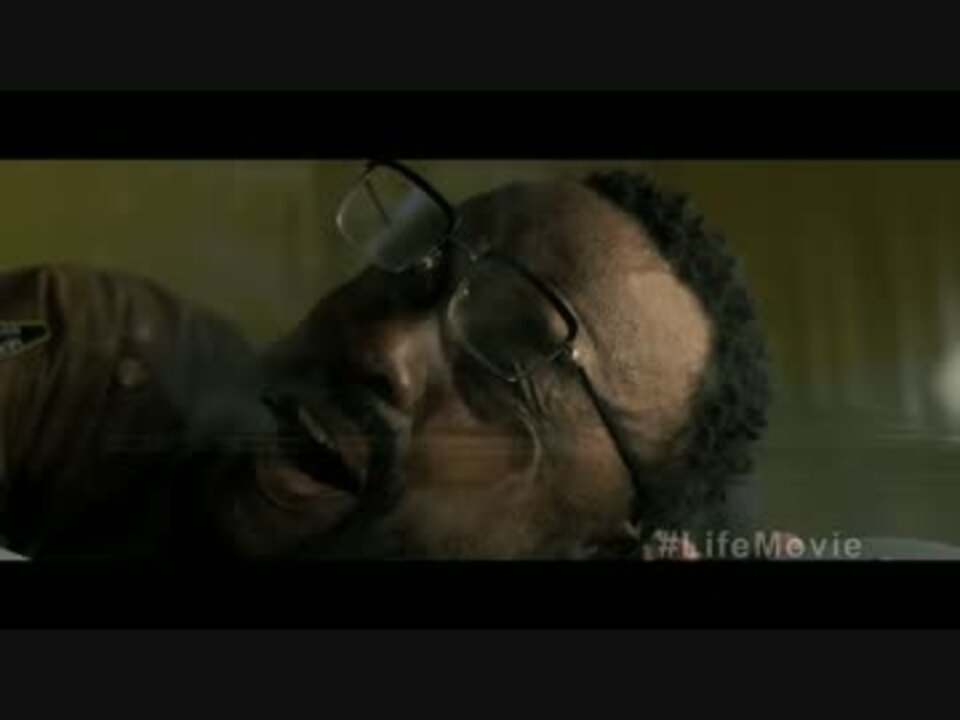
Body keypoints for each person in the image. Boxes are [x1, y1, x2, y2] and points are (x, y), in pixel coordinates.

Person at [0, 162, 771, 559]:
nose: (384, 348)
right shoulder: (108, 356)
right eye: (417, 269)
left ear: (594, 548)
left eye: (503, 362)